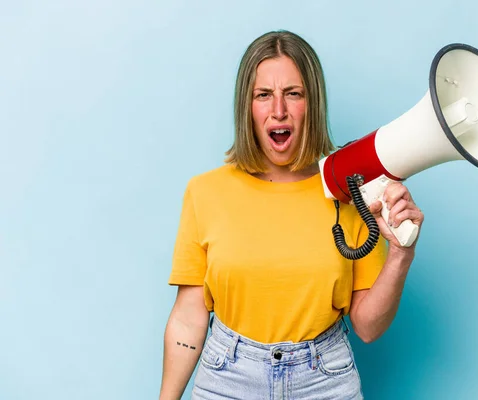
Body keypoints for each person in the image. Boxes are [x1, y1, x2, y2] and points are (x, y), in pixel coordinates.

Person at [159, 30, 424, 400]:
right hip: (228, 378)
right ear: (246, 106)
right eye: (263, 95)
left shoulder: (348, 192)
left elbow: (367, 327)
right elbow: (189, 316)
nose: (278, 110)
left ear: (311, 104)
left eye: (293, 94)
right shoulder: (205, 193)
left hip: (323, 379)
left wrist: (401, 254)